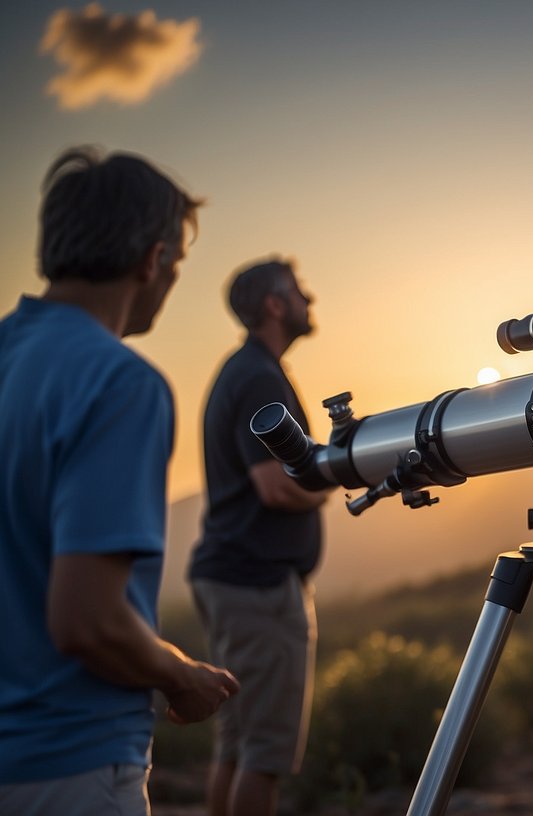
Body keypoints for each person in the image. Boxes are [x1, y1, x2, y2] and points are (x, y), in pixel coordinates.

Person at [0, 147, 239, 815]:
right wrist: (181, 676)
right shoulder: (119, 382)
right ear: (152, 259)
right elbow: (89, 621)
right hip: (69, 762)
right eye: (177, 265)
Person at [189, 257, 331, 816]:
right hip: (257, 586)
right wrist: (328, 485)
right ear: (274, 305)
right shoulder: (258, 378)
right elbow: (275, 486)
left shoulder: (247, 370)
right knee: (264, 755)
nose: (309, 299)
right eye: (298, 291)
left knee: (237, 744)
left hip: (232, 579)